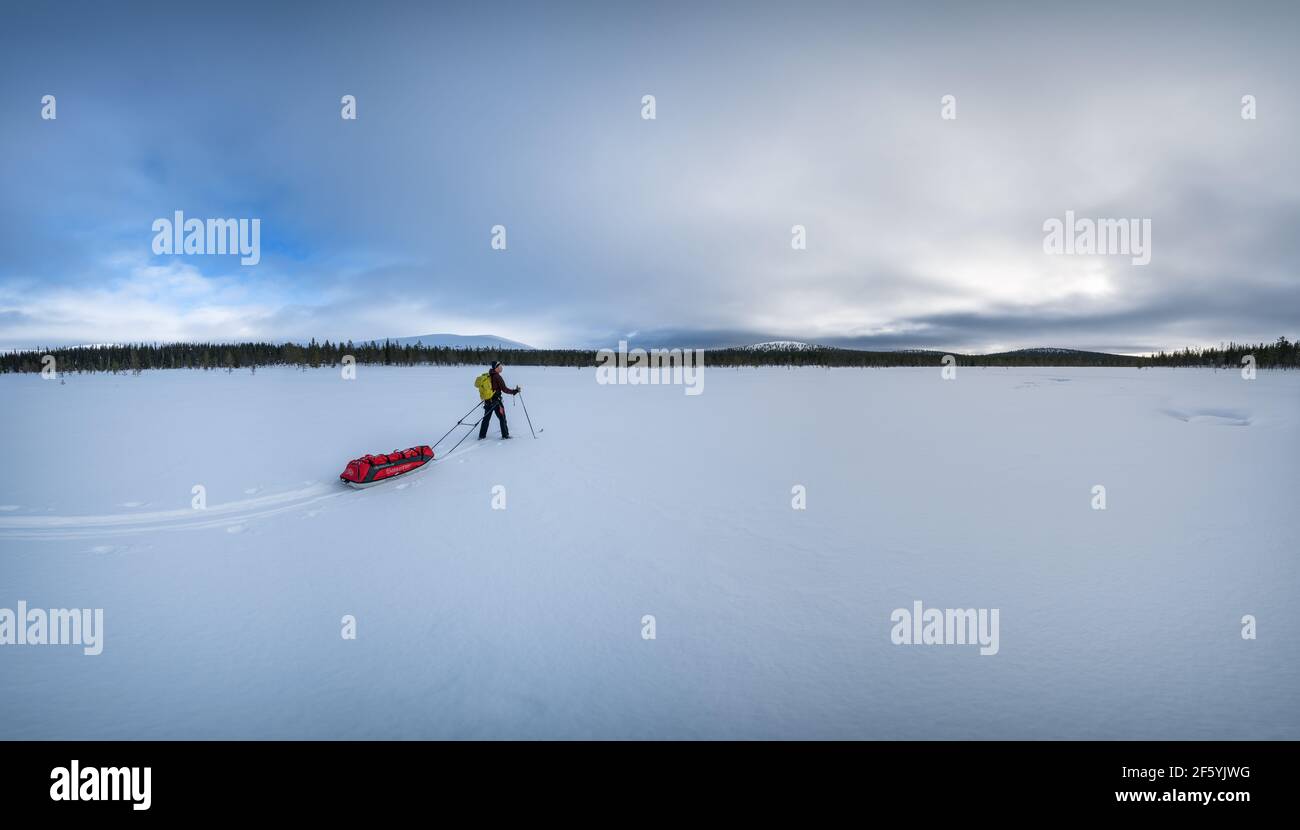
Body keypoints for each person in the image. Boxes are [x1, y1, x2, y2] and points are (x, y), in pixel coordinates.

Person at [478, 361, 520, 440]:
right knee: (502, 418)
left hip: (488, 400)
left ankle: (481, 435)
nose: (501, 367)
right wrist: (514, 391)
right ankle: (505, 435)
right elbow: (504, 389)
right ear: (496, 368)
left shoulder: (489, 374)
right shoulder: (497, 376)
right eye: (499, 366)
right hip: (496, 402)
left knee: (486, 419)